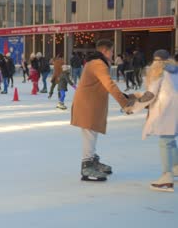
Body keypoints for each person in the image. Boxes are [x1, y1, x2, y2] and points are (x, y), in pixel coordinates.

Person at [71, 40, 134, 182]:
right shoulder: (98, 64)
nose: (113, 54)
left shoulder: (96, 63)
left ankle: (92, 160)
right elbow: (109, 85)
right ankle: (87, 165)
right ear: (105, 51)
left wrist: (125, 97)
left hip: (91, 105)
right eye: (111, 51)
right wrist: (125, 104)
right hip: (88, 105)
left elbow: (106, 86)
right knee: (89, 133)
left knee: (92, 132)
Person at [133, 50, 178, 192]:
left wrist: (133, 107)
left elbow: (150, 94)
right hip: (174, 109)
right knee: (170, 140)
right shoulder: (174, 71)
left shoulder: (158, 71)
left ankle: (166, 177)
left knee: (165, 141)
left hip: (166, 110)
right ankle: (176, 168)